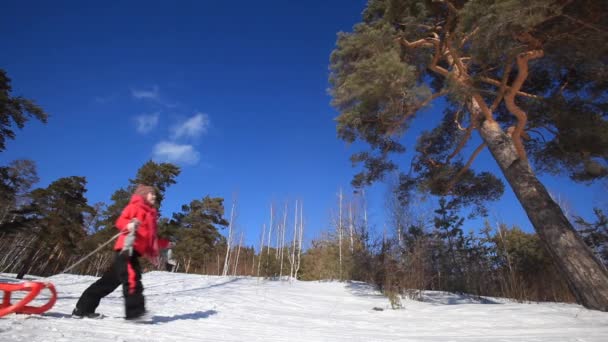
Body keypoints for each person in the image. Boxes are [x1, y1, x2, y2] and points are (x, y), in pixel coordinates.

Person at [72, 184, 170, 320]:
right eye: (151, 193)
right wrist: (129, 224)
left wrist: (166, 243)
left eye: (154, 194)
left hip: (134, 253)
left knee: (107, 283)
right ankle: (135, 313)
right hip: (126, 250)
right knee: (132, 279)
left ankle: (83, 309)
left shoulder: (150, 216)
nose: (154, 196)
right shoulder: (135, 206)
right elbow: (121, 221)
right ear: (143, 195)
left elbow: (150, 239)